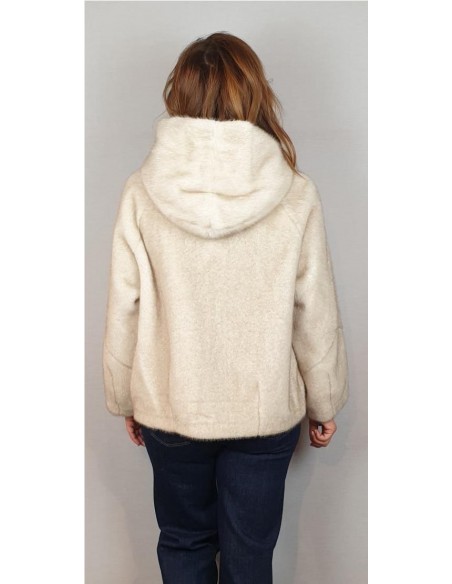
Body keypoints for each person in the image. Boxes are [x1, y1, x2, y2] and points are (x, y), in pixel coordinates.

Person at [102, 31, 349, 584]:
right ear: (255, 93)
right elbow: (313, 308)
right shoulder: (295, 192)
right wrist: (325, 399)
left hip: (171, 403)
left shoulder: (141, 192)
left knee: (184, 540)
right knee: (250, 555)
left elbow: (125, 305)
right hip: (264, 410)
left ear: (180, 94)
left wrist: (125, 397)